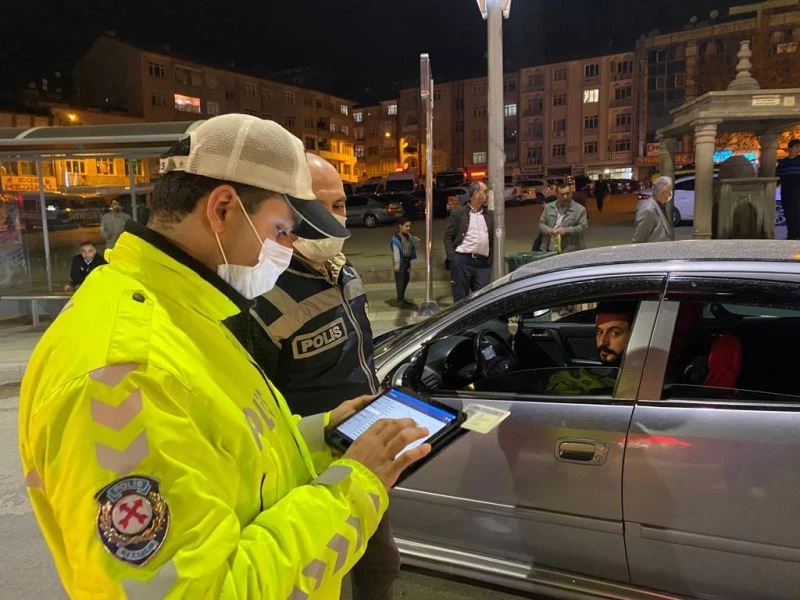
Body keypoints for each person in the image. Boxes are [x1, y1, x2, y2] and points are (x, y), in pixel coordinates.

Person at [19, 114, 431, 599]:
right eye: (283, 230)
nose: (289, 248)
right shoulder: (127, 374)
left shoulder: (184, 313)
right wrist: (355, 486)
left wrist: (322, 434)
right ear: (222, 209)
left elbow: (228, 452)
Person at [239, 152, 398, 600]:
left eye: (340, 204)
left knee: (381, 565)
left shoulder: (343, 269)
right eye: (317, 206)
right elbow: (254, 404)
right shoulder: (262, 294)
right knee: (321, 577)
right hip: (306, 468)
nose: (332, 218)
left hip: (361, 450)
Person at [546, 301, 636, 395]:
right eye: (599, 332)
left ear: (634, 333)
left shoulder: (640, 381)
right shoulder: (566, 381)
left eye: (615, 333)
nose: (602, 342)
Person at [444, 181, 494, 302]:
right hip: (462, 261)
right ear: (476, 194)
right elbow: (447, 236)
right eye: (485, 192)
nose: (487, 195)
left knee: (482, 299)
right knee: (461, 300)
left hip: (482, 263)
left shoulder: (489, 215)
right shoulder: (459, 213)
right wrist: (452, 257)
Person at [538, 185, 588, 254]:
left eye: (567, 193)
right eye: (562, 194)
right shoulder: (548, 207)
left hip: (570, 250)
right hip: (549, 249)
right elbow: (541, 223)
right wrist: (550, 230)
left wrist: (566, 230)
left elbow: (583, 227)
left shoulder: (580, 209)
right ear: (557, 195)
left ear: (571, 193)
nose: (565, 197)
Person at [633, 176, 674, 243]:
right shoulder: (648, 210)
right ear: (665, 190)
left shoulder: (660, 206)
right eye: (670, 190)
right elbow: (639, 239)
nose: (671, 193)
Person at [391, 218, 418, 308]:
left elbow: (412, 243)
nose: (408, 228)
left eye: (409, 226)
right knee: (400, 281)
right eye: (406, 226)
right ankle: (400, 301)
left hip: (407, 261)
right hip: (401, 262)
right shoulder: (397, 238)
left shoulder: (408, 236)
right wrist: (397, 263)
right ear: (400, 226)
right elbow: (396, 251)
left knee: (406, 279)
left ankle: (402, 299)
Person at [777, 138, 800, 240]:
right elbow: (777, 177)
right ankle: (791, 234)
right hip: (786, 191)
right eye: (796, 147)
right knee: (788, 213)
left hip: (798, 191)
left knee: (797, 212)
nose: (798, 149)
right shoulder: (783, 163)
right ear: (790, 148)